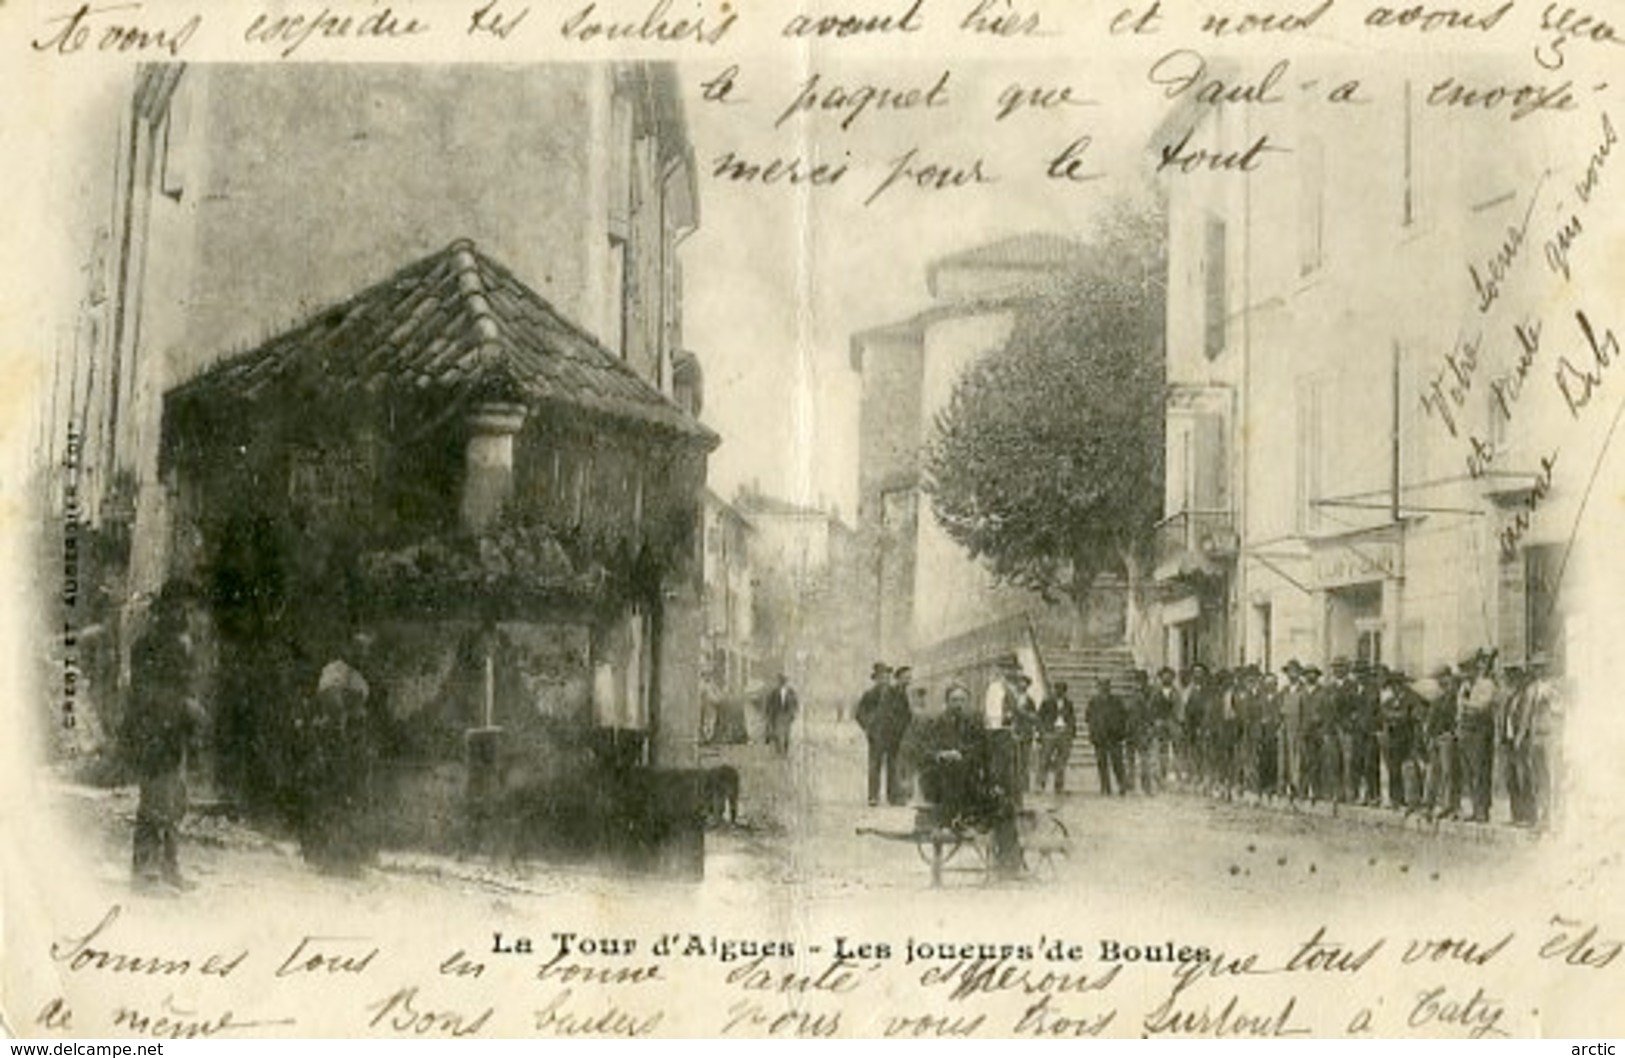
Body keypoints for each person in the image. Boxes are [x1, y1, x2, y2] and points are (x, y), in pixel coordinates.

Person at [126, 585, 205, 892]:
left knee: (175, 801)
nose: (186, 617)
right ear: (164, 612)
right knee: (155, 801)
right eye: (180, 610)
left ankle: (169, 866)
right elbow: (146, 694)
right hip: (152, 732)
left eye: (188, 611)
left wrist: (189, 714)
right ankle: (145, 873)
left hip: (174, 733)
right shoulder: (147, 646)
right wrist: (184, 705)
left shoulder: (181, 647)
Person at [855, 662, 910, 806]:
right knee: (875, 766)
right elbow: (859, 713)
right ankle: (873, 796)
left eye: (887, 677)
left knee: (893, 766)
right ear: (875, 679)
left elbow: (904, 714)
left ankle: (893, 797)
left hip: (893, 736)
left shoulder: (896, 693)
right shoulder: (869, 695)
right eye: (881, 677)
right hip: (876, 736)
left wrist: (900, 729)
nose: (884, 680)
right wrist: (868, 727)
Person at [1458, 650, 1500, 823]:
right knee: (1469, 773)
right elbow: (1460, 710)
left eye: (1468, 670)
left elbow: (1483, 707)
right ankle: (1475, 808)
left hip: (1480, 732)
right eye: (1463, 671)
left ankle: (1483, 809)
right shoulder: (1465, 687)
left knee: (1481, 772)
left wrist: (1467, 704)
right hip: (1466, 731)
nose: (1466, 674)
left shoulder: (1486, 684)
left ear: (1476, 668)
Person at [1086, 676, 1127, 796]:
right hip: (1100, 737)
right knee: (1102, 763)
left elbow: (1123, 716)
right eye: (1101, 686)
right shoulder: (1093, 702)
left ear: (1110, 687)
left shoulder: (1116, 701)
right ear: (1098, 688)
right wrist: (1093, 734)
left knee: (1117, 763)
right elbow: (1088, 718)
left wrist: (1120, 731)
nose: (1104, 688)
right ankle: (1105, 787)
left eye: (1106, 686)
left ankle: (1121, 785)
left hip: (1114, 737)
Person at [1036, 680, 1077, 794]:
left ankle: (1059, 785)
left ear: (1065, 692)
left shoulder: (1069, 704)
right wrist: (1042, 732)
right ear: (1054, 690)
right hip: (1050, 733)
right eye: (1057, 689)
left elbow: (1072, 719)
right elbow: (1039, 718)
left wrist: (1071, 733)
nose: (1059, 692)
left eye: (1062, 690)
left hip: (1063, 733)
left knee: (1061, 761)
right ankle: (1040, 784)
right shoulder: (1047, 702)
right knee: (1044, 759)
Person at [762, 673, 799, 756]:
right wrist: (768, 713)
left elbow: (795, 703)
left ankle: (785, 750)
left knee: (787, 734)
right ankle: (779, 750)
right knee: (777, 733)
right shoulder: (774, 692)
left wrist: (793, 713)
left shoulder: (791, 692)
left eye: (783, 681)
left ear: (785, 682)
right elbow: (768, 703)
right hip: (777, 715)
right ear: (778, 682)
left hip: (787, 715)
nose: (781, 683)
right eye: (780, 681)